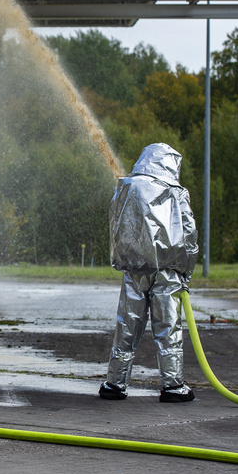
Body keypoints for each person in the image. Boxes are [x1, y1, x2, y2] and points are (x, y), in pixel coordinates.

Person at [99, 143, 199, 402]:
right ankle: (173, 387)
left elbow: (115, 225)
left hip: (134, 271)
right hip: (167, 272)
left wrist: (121, 260)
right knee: (168, 330)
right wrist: (186, 274)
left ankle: (115, 384)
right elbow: (189, 235)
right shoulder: (176, 192)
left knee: (126, 328)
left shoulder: (126, 187)